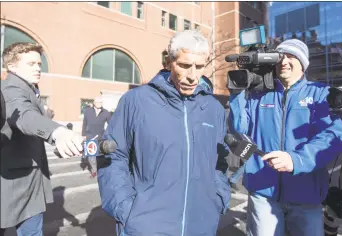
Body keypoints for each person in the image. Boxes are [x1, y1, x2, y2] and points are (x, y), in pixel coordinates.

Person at [98, 30, 231, 236]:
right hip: (146, 226)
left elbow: (219, 161)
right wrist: (126, 210)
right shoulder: (136, 101)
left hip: (202, 225)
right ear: (169, 62)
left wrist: (219, 198)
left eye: (200, 66)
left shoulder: (214, 108)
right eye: (185, 65)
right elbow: (113, 156)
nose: (193, 76)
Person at [229, 39, 342, 236]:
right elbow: (239, 127)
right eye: (280, 56)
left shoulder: (320, 94)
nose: (284, 61)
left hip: (306, 195)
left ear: (303, 63)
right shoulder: (259, 96)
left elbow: (333, 136)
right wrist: (237, 92)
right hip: (263, 193)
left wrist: (296, 160)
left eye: (291, 56)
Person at [0, 42, 84, 235]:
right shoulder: (10, 89)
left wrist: (46, 115)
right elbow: (23, 115)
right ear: (11, 66)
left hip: (28, 179)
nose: (38, 68)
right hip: (14, 182)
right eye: (31, 64)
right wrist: (57, 132)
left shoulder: (29, 89)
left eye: (39, 63)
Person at [81, 96, 111, 178]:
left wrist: (107, 133)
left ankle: (101, 169)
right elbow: (84, 123)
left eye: (101, 102)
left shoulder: (106, 112)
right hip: (90, 136)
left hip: (101, 136)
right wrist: (83, 135)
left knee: (101, 155)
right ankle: (94, 171)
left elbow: (111, 124)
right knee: (91, 156)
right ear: (94, 103)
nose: (99, 103)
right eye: (97, 102)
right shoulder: (87, 111)